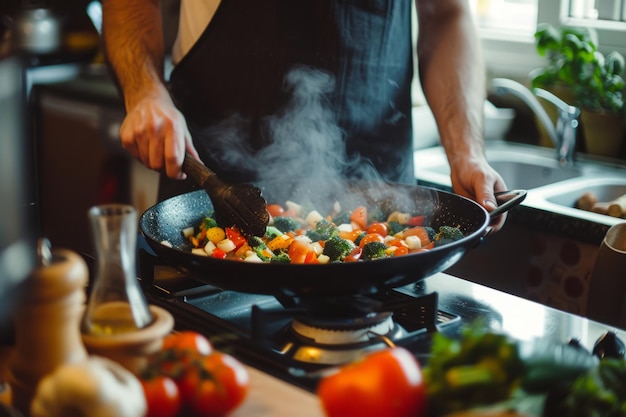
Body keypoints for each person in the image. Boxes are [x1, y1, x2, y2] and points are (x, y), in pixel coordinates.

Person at [101, 0, 508, 231]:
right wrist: (145, 90)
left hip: (382, 204)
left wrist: (467, 152)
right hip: (214, 189)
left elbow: (446, 14)